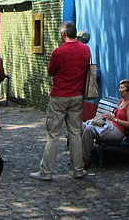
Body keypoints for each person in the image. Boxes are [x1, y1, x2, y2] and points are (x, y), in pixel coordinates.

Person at [30, 21, 91, 181]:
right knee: (75, 133)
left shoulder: (58, 52)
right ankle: (78, 170)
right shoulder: (86, 49)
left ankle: (46, 171)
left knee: (53, 135)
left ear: (63, 34)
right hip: (77, 96)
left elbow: (51, 72)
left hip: (59, 96)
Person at [80, 79, 129, 168]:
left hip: (118, 131)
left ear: (128, 91)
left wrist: (114, 119)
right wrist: (110, 117)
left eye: (122, 88)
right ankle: (79, 157)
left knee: (89, 129)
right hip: (110, 126)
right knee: (82, 126)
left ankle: (85, 159)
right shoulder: (121, 101)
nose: (119, 90)